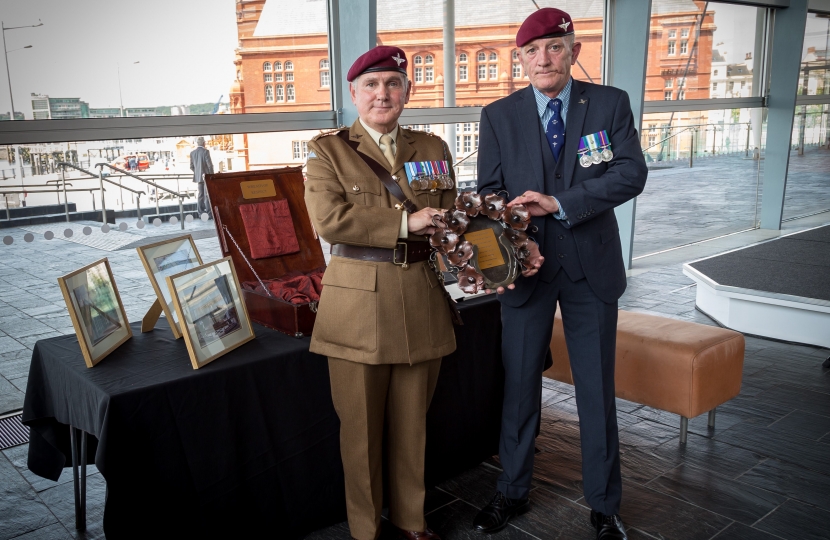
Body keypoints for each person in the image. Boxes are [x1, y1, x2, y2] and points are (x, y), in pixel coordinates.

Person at [472, 8, 648, 540]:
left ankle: (603, 504)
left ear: (572, 50)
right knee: (519, 387)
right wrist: (509, 246)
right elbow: (488, 195)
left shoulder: (610, 103)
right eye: (532, 51)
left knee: (596, 388)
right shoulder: (498, 115)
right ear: (520, 60)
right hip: (525, 272)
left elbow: (630, 173)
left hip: (591, 268)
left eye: (553, 46)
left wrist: (560, 202)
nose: (543, 58)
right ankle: (512, 492)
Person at [304, 46, 458, 540]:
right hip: (357, 306)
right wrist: (404, 221)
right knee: (362, 432)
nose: (382, 94)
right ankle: (366, 529)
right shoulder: (327, 151)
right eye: (371, 85)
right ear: (353, 93)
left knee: (413, 425)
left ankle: (411, 519)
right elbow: (330, 221)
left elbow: (453, 217)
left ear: (407, 92)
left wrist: (495, 258)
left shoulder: (432, 148)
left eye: (392, 83)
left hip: (421, 297)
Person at [190, 137, 214, 218]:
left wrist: (197, 173)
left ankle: (200, 213)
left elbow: (191, 166)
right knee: (207, 195)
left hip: (198, 177)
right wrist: (211, 175)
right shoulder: (205, 152)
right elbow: (209, 165)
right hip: (206, 176)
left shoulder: (192, 153)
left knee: (200, 195)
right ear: (204, 143)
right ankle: (209, 213)